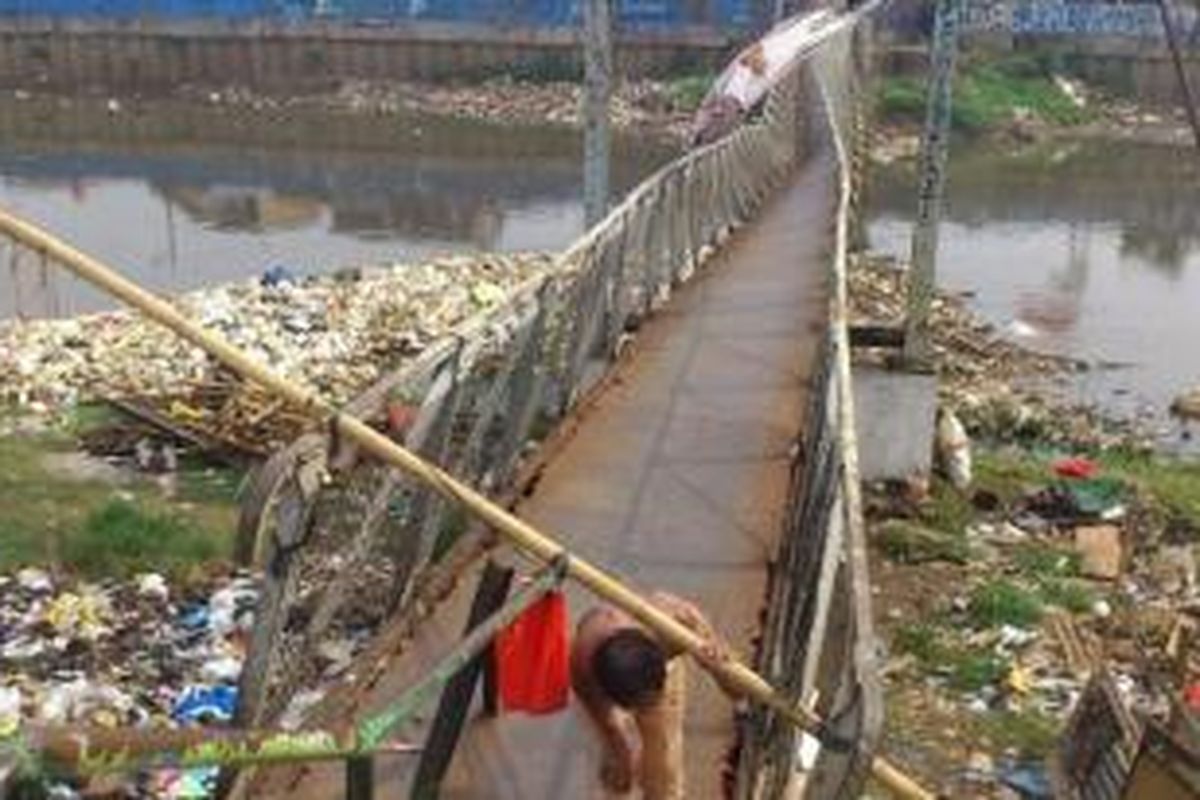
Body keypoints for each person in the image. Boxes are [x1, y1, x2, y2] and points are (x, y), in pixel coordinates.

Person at [569, 592, 739, 799]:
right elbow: (608, 725)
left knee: (662, 761)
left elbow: (734, 686)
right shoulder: (583, 667)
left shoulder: (675, 623)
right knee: (619, 766)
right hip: (611, 679)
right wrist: (620, 755)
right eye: (641, 705)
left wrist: (723, 666)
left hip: (656, 665)